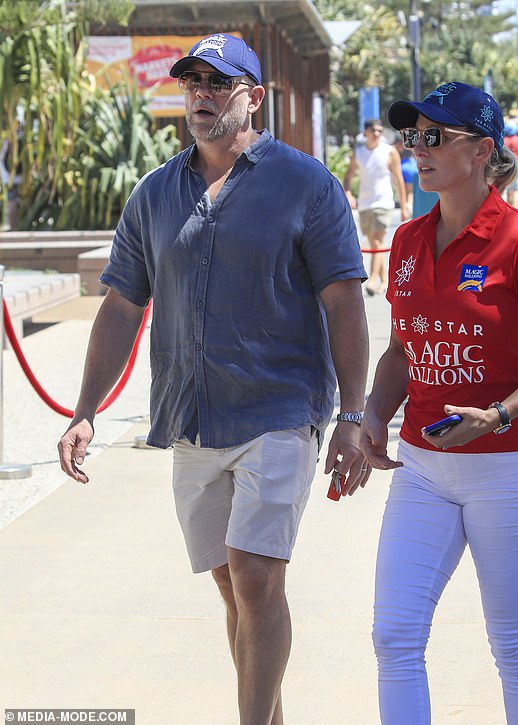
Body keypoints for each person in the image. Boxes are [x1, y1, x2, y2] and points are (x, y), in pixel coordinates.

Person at [57, 32, 370, 725]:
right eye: (192, 82)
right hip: (193, 414)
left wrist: (354, 415)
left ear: (253, 98)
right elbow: (121, 304)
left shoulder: (306, 184)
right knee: (234, 586)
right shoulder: (153, 195)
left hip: (281, 409)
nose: (200, 94)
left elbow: (344, 301)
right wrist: (85, 408)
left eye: (217, 83)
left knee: (258, 575)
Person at [360, 81, 518, 724]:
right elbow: (402, 352)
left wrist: (499, 413)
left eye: (435, 137)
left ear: (483, 150)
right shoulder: (405, 242)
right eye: (411, 137)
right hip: (422, 467)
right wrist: (373, 415)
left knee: (513, 646)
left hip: (510, 468)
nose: (418, 150)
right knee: (394, 636)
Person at [343, 119, 409, 296]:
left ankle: (372, 280)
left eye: (380, 130)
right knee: (373, 243)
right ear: (366, 132)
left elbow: (398, 179)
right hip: (365, 204)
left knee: (377, 242)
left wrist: (403, 206)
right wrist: (348, 194)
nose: (378, 133)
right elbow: (348, 176)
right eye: (374, 130)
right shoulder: (359, 153)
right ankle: (385, 282)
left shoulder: (390, 151)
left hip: (384, 202)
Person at [502, 122, 518, 208]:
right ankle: (515, 209)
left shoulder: (504, 141)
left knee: (508, 190)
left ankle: (509, 208)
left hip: (505, 168)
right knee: (516, 191)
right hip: (517, 168)